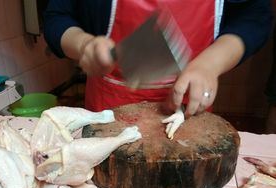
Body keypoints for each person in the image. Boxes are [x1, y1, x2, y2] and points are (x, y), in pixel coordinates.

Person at [43, 0, 273, 117]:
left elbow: (255, 15)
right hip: (108, 111)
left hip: (188, 109)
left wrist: (209, 64)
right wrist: (84, 44)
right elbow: (58, 15)